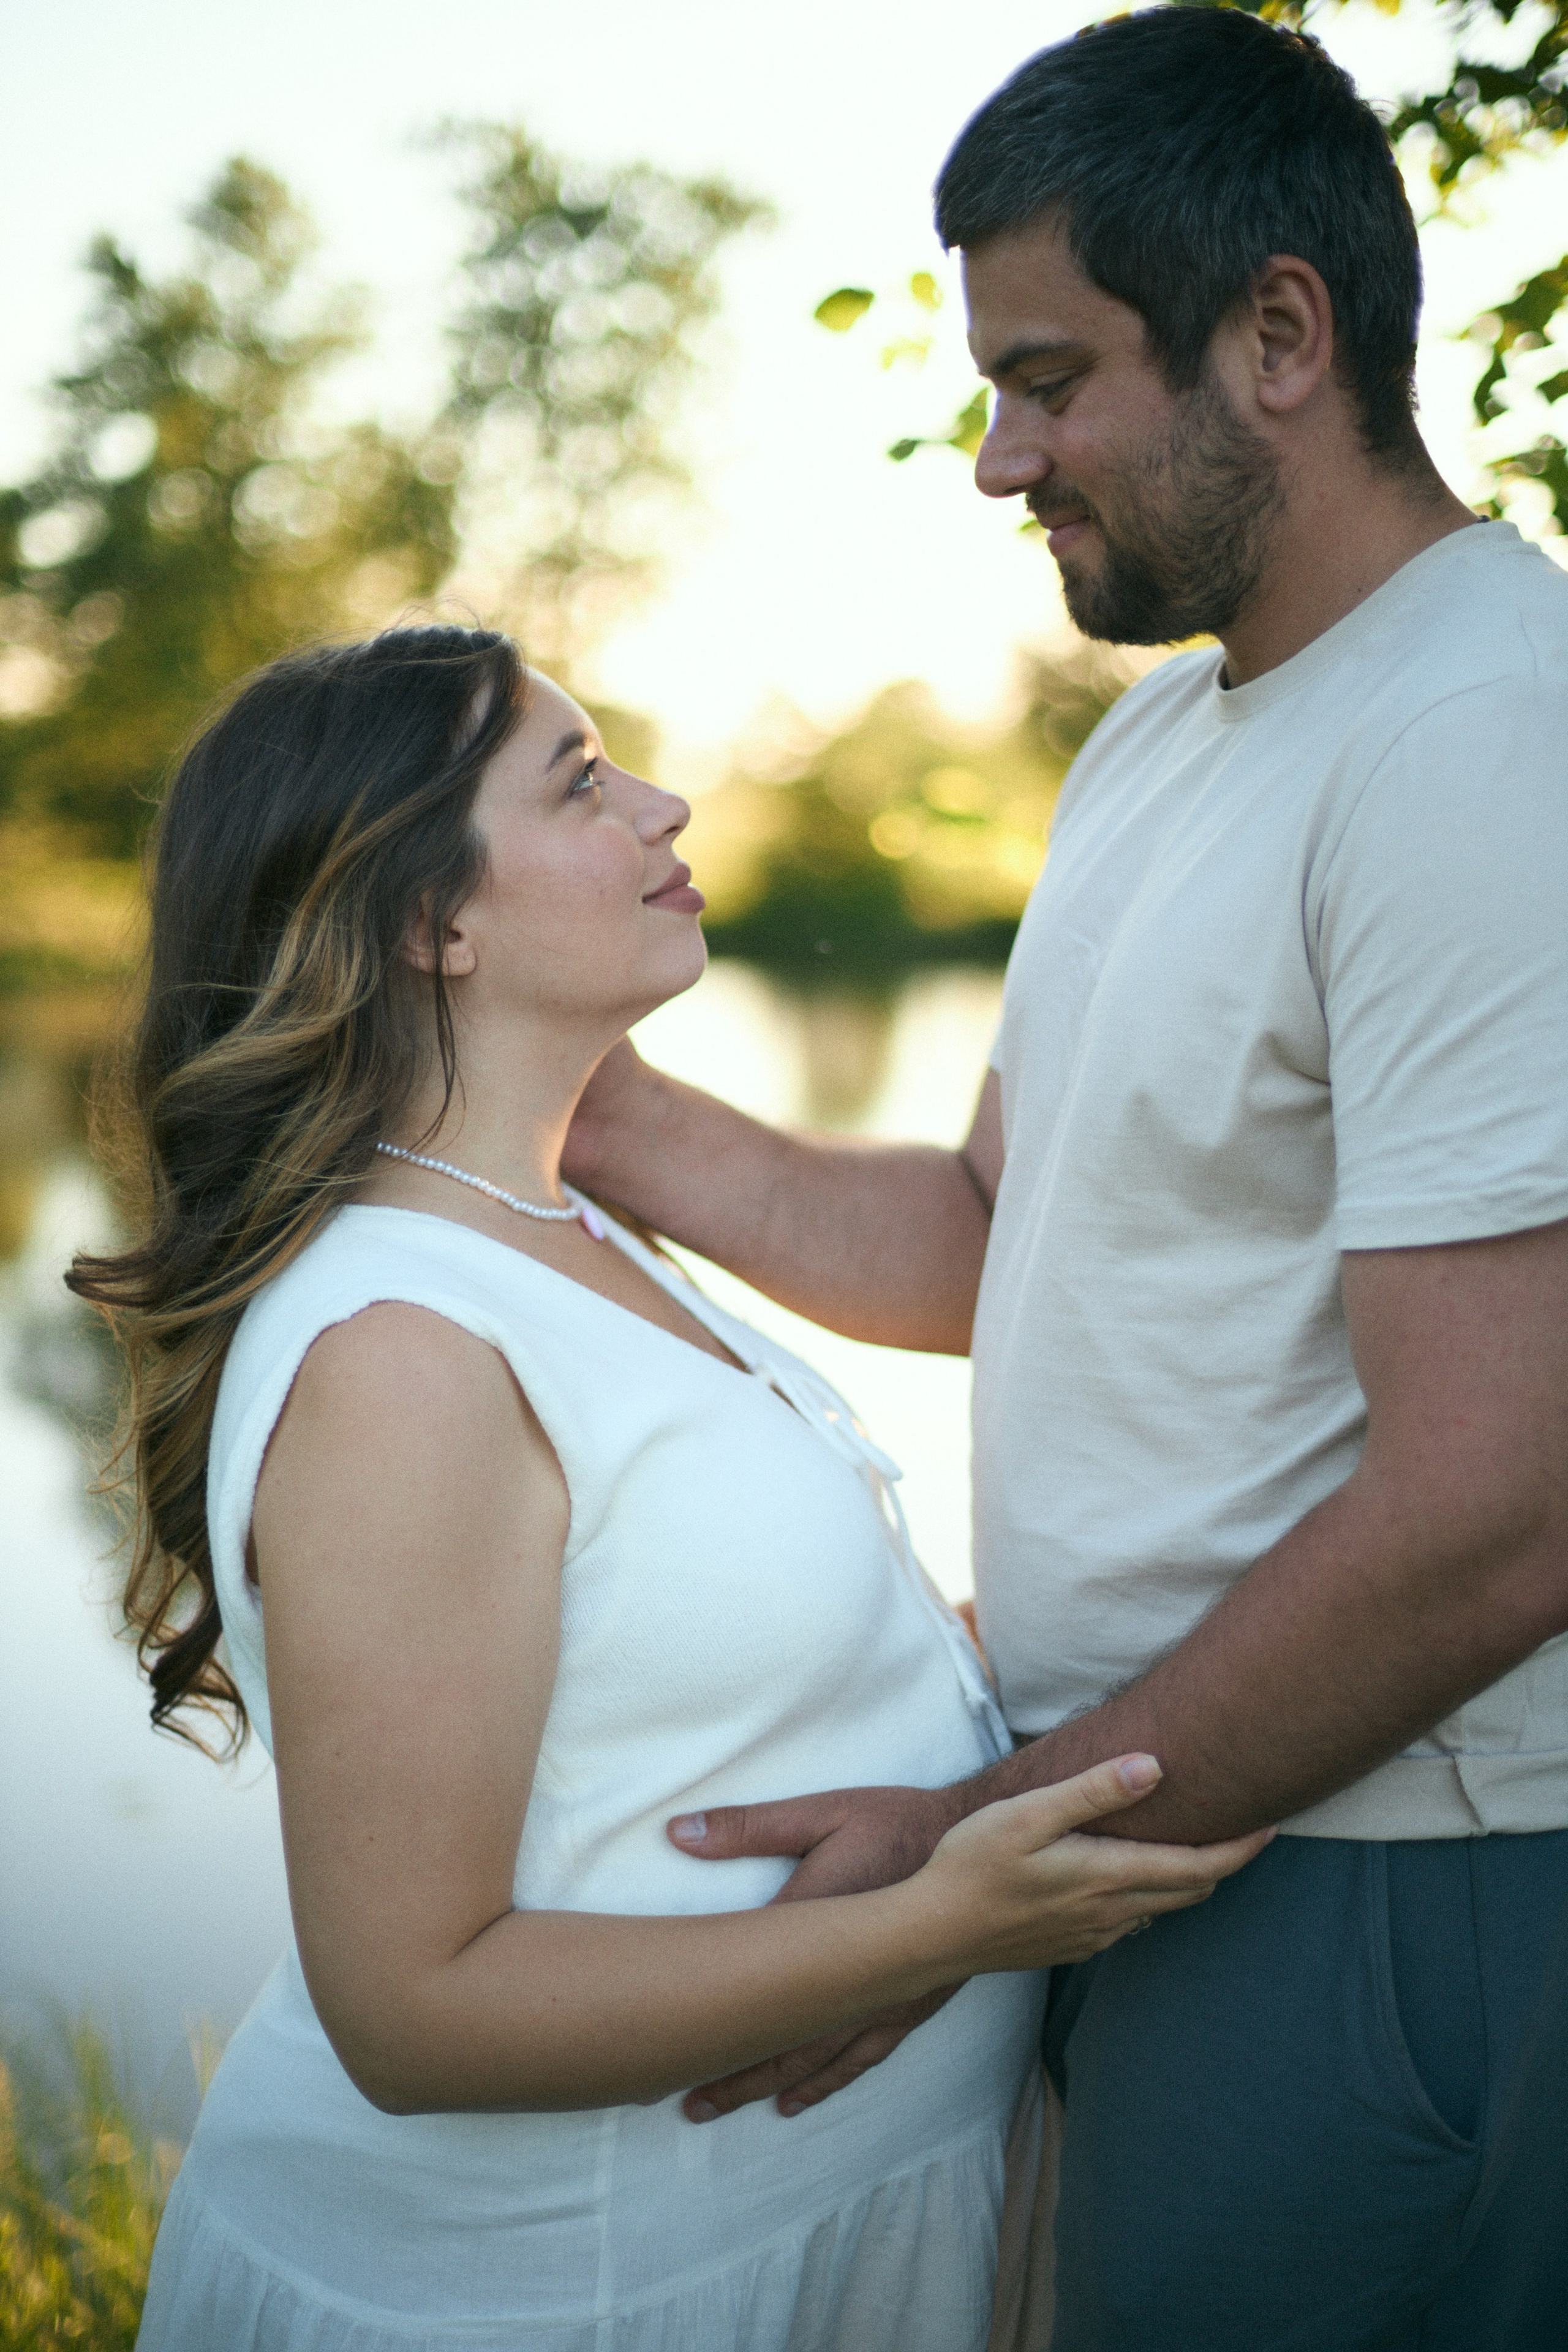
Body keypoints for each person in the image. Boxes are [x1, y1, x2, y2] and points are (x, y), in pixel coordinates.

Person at [559, 12, 1568, 2347]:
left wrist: (981, 1847)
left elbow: (1503, 1505)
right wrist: (592, 1115)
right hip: (1169, 1834)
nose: (1001, 458)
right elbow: (1011, 1243)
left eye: (1051, 376)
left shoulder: (1481, 738)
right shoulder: (1166, 741)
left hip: (1396, 1882)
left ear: (1282, 334)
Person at [75, 627, 1259, 2352]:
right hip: (560, 2290)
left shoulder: (561, 1230)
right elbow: (413, 2010)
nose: (667, 803)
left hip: (781, 2241)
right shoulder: (399, 1345)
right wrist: (947, 1924)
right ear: (431, 922)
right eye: (581, 783)